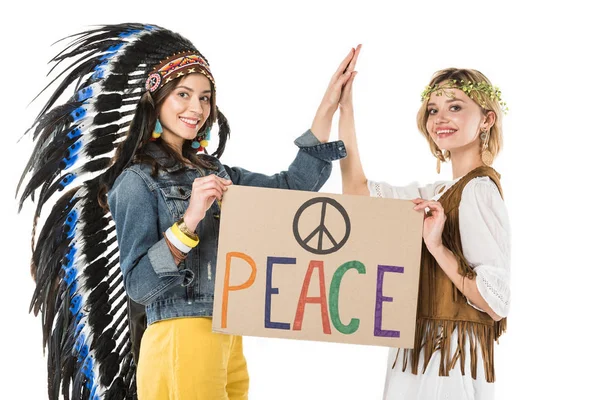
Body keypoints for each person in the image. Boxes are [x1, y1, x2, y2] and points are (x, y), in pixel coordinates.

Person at [18, 23, 359, 400]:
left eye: (205, 97)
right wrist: (190, 220)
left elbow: (292, 190)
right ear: (157, 98)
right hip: (181, 333)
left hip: (228, 330)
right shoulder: (135, 181)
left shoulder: (214, 171)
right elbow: (140, 286)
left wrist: (330, 105)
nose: (196, 108)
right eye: (183, 94)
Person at [338, 52, 510, 400]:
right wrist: (345, 108)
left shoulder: (477, 189)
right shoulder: (439, 192)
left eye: (456, 107)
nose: (440, 118)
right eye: (433, 109)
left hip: (447, 361)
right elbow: (357, 193)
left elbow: (495, 302)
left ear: (487, 119)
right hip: (422, 349)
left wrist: (437, 247)